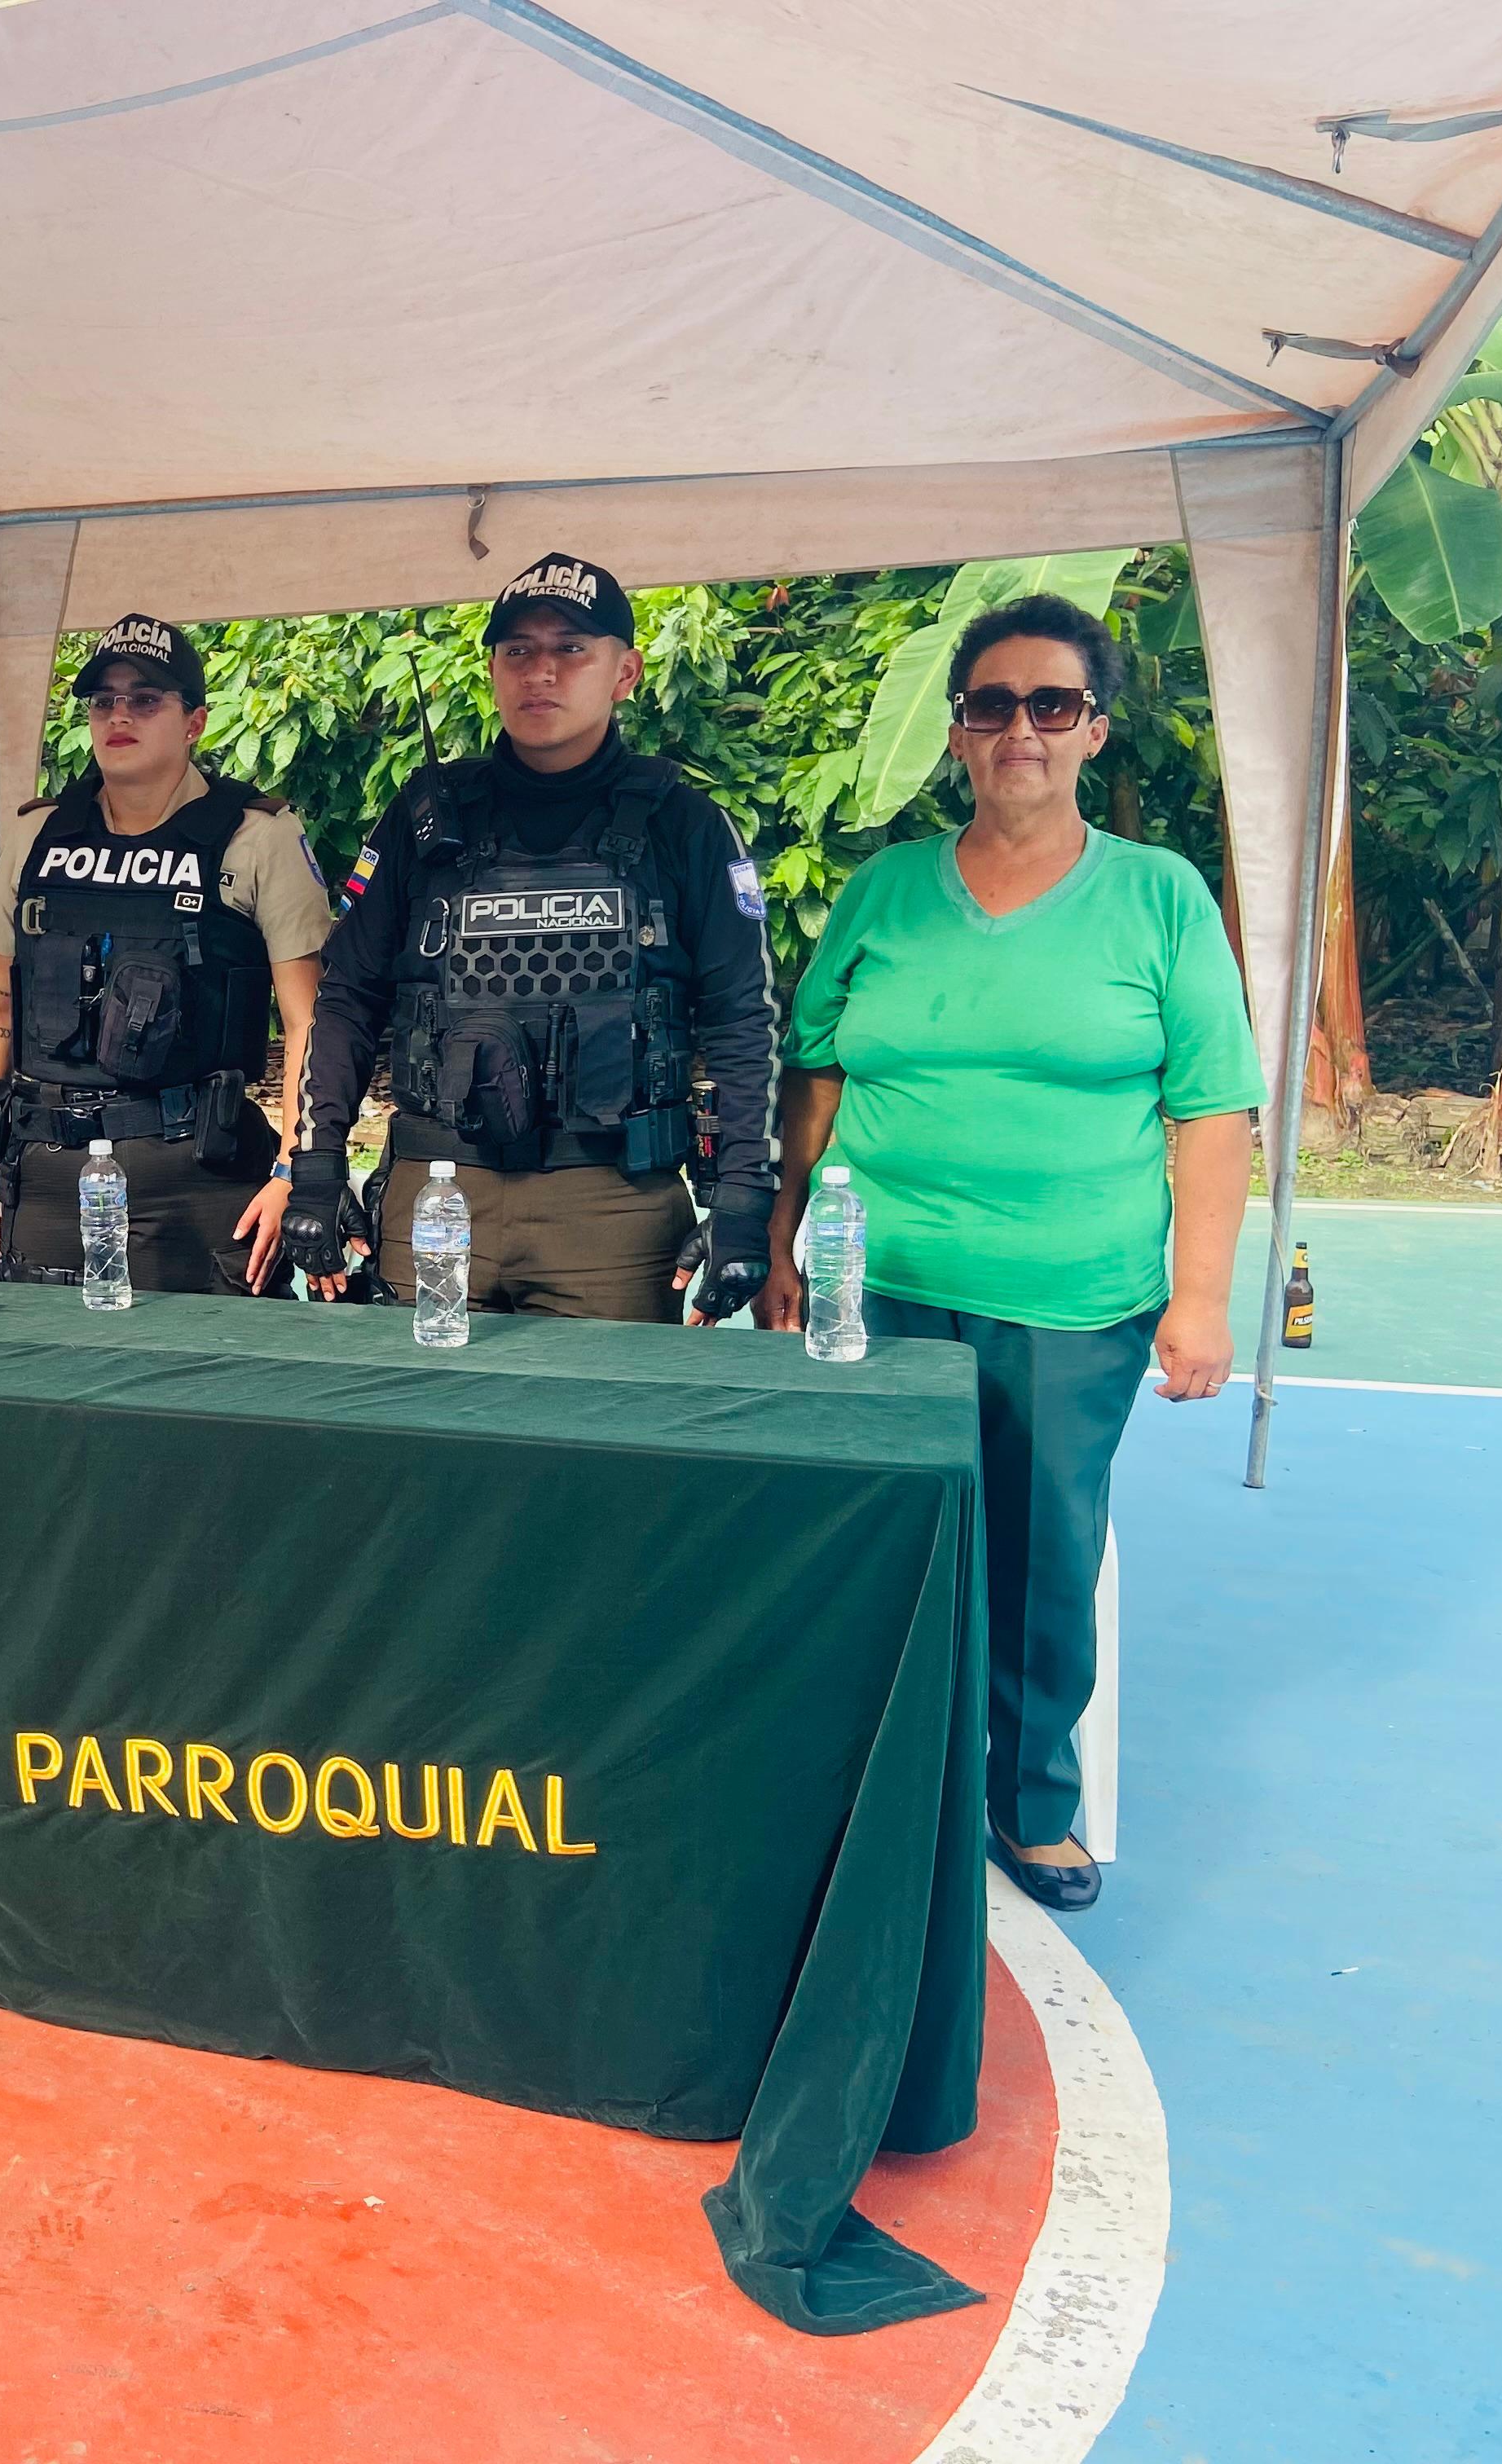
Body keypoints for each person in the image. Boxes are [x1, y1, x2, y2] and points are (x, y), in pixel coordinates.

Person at [762, 593, 1262, 1913]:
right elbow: (812, 1073)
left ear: (1093, 728)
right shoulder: (884, 889)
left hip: (1068, 1300)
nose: (1019, 730)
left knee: (1039, 1561)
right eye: (991, 705)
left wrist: (1202, 1298)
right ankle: (876, 1785)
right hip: (874, 1285)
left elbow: (1213, 1111)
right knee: (872, 1542)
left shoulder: (1158, 897)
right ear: (958, 733)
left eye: (1052, 704)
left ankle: (1031, 1803)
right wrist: (784, 1242)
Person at [286, 552, 777, 1322]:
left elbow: (743, 1018)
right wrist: (315, 1165)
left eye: (570, 648)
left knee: (603, 1406)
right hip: (438, 1194)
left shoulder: (684, 825)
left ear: (625, 672)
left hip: (612, 1207)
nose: (540, 672)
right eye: (518, 650)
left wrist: (745, 1200)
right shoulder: (425, 818)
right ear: (493, 669)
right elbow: (347, 997)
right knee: (414, 1400)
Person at [0, 616, 330, 1293]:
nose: (119, 715)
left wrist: (291, 1169)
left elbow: (309, 1021)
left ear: (195, 723)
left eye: (146, 699)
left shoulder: (256, 836)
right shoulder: (40, 834)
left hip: (200, 1175)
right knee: (40, 1355)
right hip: (48, 1168)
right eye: (103, 701)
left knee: (208, 1359)